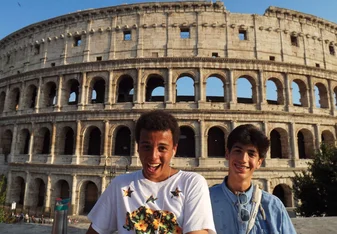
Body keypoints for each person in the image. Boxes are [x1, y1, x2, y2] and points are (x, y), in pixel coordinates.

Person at [87, 110, 216, 234]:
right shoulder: (120, 185)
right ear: (138, 148)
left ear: (174, 149)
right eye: (146, 147)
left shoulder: (192, 183)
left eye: (162, 148)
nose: (153, 156)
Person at [210, 124, 296, 234]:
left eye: (251, 154)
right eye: (238, 151)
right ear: (227, 154)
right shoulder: (205, 201)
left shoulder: (273, 206)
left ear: (259, 162)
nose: (243, 159)